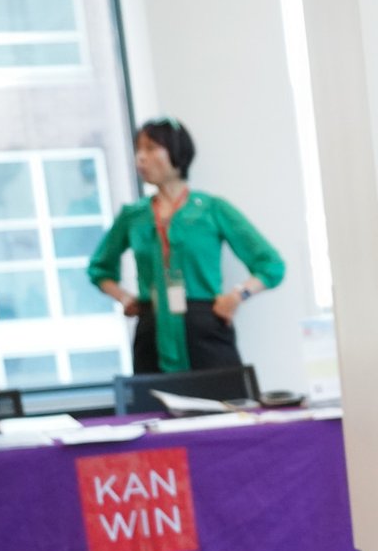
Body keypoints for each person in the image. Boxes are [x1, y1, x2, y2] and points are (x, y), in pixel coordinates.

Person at [87, 118, 286, 378]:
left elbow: (271, 265)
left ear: (176, 151)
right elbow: (99, 268)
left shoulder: (212, 209)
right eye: (138, 150)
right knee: (153, 403)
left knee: (224, 400)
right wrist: (123, 297)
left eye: (150, 148)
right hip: (152, 329)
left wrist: (238, 295)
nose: (141, 158)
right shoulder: (133, 215)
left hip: (205, 326)